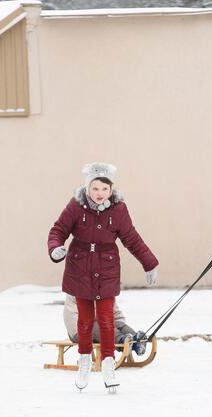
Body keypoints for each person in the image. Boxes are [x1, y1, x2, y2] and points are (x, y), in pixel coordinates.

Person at [48, 163, 159, 391]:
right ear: (87, 188)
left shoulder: (118, 210)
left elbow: (132, 238)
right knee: (86, 321)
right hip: (80, 269)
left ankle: (108, 364)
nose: (100, 194)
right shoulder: (76, 207)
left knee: (107, 319)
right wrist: (55, 248)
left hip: (107, 270)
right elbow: (58, 230)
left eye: (104, 189)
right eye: (95, 188)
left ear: (111, 190)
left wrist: (149, 264)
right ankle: (85, 362)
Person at [63, 294, 147, 355]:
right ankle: (123, 340)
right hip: (79, 330)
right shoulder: (75, 292)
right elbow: (71, 316)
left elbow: (115, 312)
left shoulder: (103, 291)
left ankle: (137, 340)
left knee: (117, 324)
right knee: (100, 327)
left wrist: (120, 324)